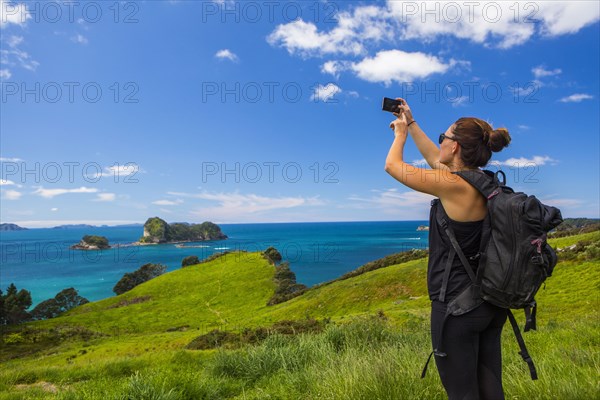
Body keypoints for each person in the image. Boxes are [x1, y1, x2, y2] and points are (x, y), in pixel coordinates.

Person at [384, 98, 512, 400]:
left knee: (462, 393)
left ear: (454, 147)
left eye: (444, 137)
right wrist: (412, 122)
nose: (440, 141)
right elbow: (434, 159)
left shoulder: (452, 185)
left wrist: (400, 134)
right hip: (490, 302)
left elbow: (393, 166)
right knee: (490, 386)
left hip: (456, 307)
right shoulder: (484, 183)